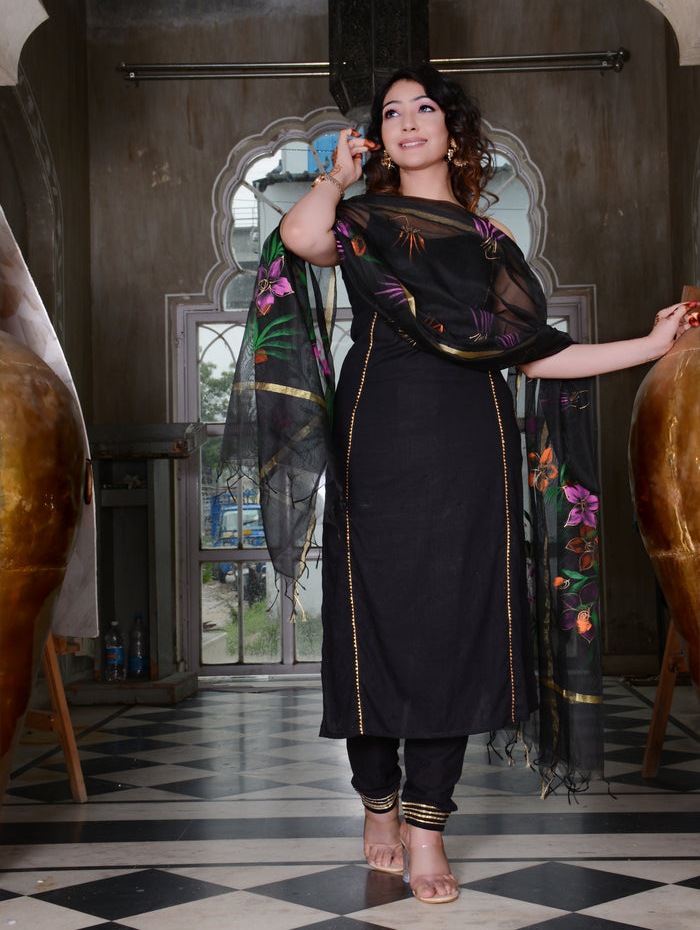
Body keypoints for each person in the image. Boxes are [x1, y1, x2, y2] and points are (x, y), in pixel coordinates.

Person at [250, 65, 697, 904]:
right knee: (372, 618)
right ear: (380, 139)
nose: (407, 120)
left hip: (471, 443)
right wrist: (335, 175)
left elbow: (539, 354)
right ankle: (377, 803)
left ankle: (428, 826)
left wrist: (648, 346)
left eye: (424, 107)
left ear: (452, 133)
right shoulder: (360, 219)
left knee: (456, 622)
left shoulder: (491, 245)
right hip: (377, 436)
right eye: (391, 112)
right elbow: (302, 238)